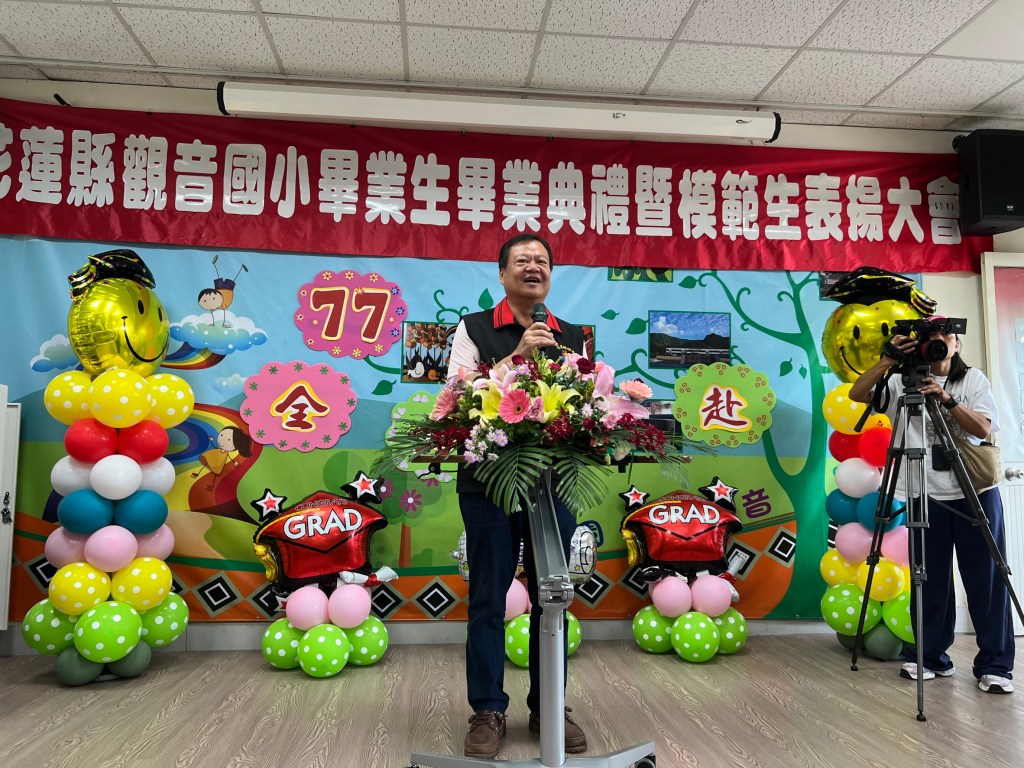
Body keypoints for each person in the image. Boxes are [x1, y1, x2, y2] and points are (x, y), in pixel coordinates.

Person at [446, 233, 589, 758]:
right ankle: (488, 709)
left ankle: (548, 705)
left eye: (542, 261)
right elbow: (458, 395)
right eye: (522, 260)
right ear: (502, 274)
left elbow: (585, 401)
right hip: (489, 482)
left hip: (553, 483)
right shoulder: (474, 327)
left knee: (553, 595)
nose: (534, 267)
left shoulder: (572, 334)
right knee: (489, 595)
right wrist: (516, 356)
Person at [849, 318, 1014, 694]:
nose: (937, 343)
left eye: (945, 337)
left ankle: (995, 666)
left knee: (986, 581)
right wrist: (887, 360)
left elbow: (983, 428)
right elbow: (858, 394)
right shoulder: (899, 380)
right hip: (924, 493)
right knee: (928, 579)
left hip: (974, 491)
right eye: (929, 338)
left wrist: (946, 399)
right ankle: (930, 657)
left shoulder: (971, 380)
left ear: (956, 344)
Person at [192, 426, 252, 490]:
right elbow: (214, 446)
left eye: (228, 440)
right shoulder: (218, 448)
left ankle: (212, 485)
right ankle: (198, 473)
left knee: (215, 471)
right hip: (215, 453)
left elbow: (230, 458)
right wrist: (211, 441)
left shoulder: (226, 454)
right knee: (207, 460)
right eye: (221, 435)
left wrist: (235, 463)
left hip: (220, 458)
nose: (222, 441)